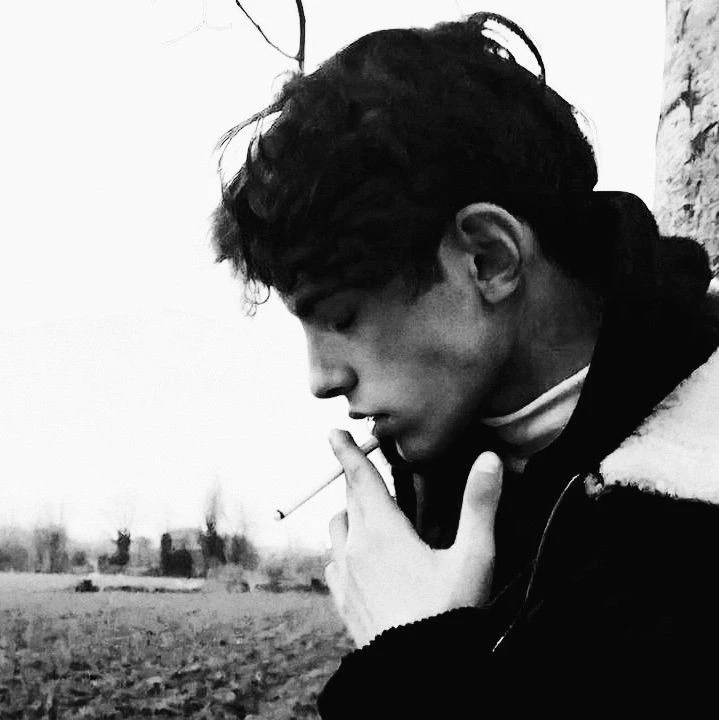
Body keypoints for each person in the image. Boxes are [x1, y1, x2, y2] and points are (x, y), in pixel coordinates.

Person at [212, 13, 719, 716]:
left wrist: (411, 668)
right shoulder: (446, 481)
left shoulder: (692, 525)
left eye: (341, 316)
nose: (321, 378)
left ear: (488, 258)